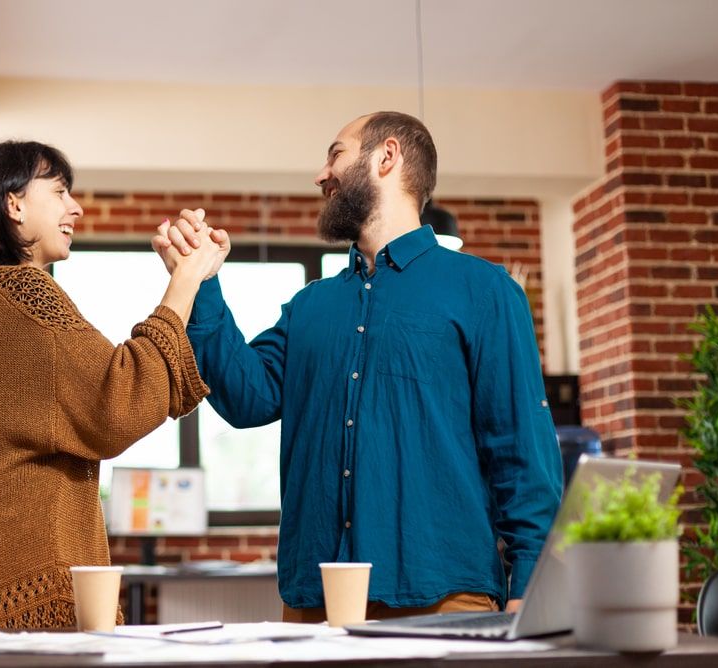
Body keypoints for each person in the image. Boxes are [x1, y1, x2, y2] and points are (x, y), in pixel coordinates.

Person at [152, 112, 563, 622]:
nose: (321, 175)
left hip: (444, 599)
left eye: (335, 154)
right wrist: (200, 282)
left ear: (386, 156)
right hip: (314, 605)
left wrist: (530, 585)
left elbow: (521, 451)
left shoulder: (485, 292)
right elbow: (246, 397)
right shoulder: (309, 307)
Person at [0, 140, 224, 629]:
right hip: (25, 598)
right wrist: (185, 280)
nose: (75, 207)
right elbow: (118, 399)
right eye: (59, 192)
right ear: (14, 204)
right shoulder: (19, 290)